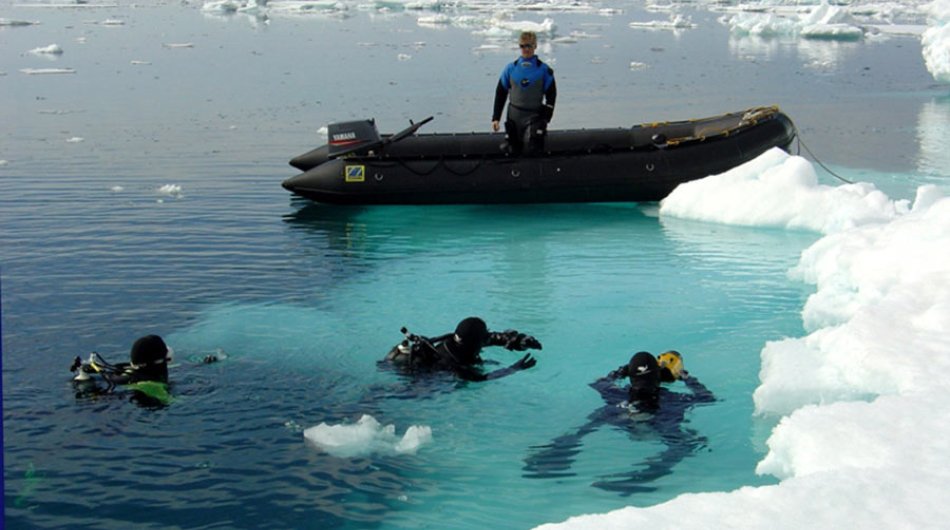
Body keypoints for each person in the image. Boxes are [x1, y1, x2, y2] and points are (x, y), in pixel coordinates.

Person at [522, 350, 715, 494]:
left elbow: (599, 382)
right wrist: (687, 377)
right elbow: (707, 398)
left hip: (621, 413)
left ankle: (556, 456)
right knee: (684, 444)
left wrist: (619, 372)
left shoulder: (615, 393)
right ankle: (644, 477)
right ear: (658, 377)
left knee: (591, 423)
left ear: (631, 377)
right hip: (660, 418)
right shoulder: (676, 399)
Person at [381, 316, 541, 382]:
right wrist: (514, 368)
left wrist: (518, 340)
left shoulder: (453, 341)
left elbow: (489, 338)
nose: (487, 337)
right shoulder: (456, 366)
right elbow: (482, 378)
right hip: (424, 386)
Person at [491, 31, 557, 155]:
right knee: (511, 150)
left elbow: (551, 95)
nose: (526, 49)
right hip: (514, 117)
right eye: (523, 46)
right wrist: (496, 118)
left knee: (533, 147)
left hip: (534, 116)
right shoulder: (511, 69)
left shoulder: (544, 70)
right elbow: (501, 93)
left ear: (535, 46)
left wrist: (547, 116)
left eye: (529, 46)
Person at [70, 334, 174, 405]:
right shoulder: (154, 386)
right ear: (159, 362)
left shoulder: (130, 369)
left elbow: (113, 372)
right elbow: (174, 401)